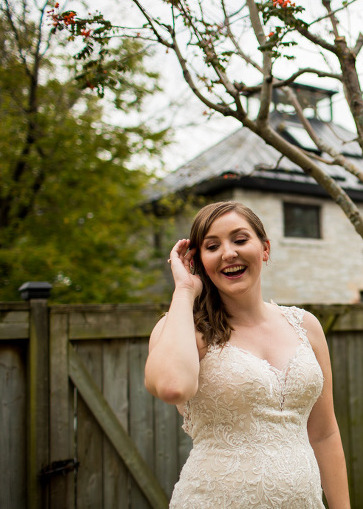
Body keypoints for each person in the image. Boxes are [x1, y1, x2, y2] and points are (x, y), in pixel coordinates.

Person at [144, 201, 350, 508]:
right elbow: (173, 386)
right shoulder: (185, 328)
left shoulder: (305, 326)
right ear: (199, 261)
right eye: (212, 246)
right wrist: (184, 291)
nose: (229, 253)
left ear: (264, 249)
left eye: (240, 240)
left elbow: (324, 433)